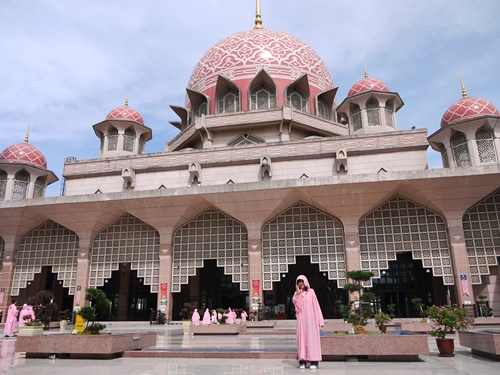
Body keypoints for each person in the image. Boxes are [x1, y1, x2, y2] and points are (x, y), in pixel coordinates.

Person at [292, 275, 324, 370]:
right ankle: (302, 361)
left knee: (312, 339)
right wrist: (297, 294)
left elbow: (316, 306)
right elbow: (297, 306)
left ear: (305, 282)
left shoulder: (311, 292)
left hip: (311, 320)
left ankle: (314, 361)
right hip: (301, 320)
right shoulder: (297, 294)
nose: (300, 283)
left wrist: (319, 320)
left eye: (302, 281)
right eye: (298, 282)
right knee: (301, 340)